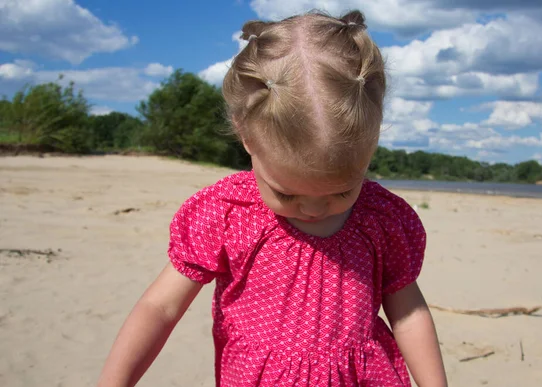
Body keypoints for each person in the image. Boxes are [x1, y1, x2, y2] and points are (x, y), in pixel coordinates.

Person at [97, 9, 447, 387]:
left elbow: (408, 314)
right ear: (245, 135)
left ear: (372, 144)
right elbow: (160, 307)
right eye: (286, 192)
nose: (313, 208)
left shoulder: (381, 219)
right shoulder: (228, 214)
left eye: (342, 190)